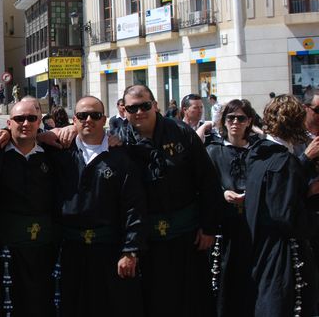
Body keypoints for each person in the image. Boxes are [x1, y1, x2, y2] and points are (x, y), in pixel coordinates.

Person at [118, 85, 222, 317]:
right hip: (146, 239)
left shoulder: (181, 132)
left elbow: (207, 181)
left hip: (187, 234)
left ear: (155, 105)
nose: (139, 112)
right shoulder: (119, 141)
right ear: (124, 111)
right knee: (154, 300)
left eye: (145, 106)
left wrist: (209, 226)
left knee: (192, 298)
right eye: (132, 108)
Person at [50, 96, 146, 316]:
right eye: (82, 115)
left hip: (110, 250)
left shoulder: (121, 157)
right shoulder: (60, 153)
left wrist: (130, 250)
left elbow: (134, 206)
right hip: (71, 251)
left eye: (95, 115)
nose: (88, 120)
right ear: (74, 120)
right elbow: (24, 136)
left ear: (104, 119)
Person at [241, 95, 319, 316]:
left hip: (261, 247)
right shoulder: (283, 161)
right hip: (282, 255)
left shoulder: (259, 154)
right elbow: (287, 216)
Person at [0, 100, 58, 316]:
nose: (25, 123)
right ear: (8, 122)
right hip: (7, 249)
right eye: (19, 119)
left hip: (45, 248)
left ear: (40, 122)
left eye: (31, 118)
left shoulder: (54, 154)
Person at [206, 99, 258, 316]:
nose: (235, 122)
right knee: (224, 282)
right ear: (224, 121)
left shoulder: (258, 151)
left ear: (249, 122)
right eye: (231, 118)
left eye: (241, 118)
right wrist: (222, 193)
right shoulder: (213, 151)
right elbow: (204, 185)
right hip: (223, 229)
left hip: (252, 228)